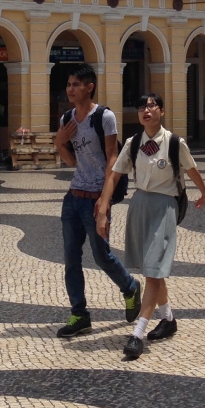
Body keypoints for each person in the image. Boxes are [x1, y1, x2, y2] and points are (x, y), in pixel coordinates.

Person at [96, 93, 205, 360]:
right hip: (140, 205)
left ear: (161, 111)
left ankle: (138, 334)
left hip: (164, 207)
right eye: (141, 107)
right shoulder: (133, 143)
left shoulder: (174, 143)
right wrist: (103, 208)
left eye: (151, 105)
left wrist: (204, 192)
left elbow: (191, 170)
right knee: (152, 269)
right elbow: (114, 175)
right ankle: (168, 319)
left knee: (153, 270)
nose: (146, 110)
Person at [53, 65, 142, 339]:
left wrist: (104, 202)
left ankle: (130, 287)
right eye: (69, 84)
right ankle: (79, 314)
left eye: (76, 84)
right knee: (71, 259)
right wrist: (60, 142)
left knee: (102, 256)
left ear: (89, 87)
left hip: (96, 197)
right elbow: (71, 161)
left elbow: (113, 157)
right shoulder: (67, 118)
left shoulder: (104, 117)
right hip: (73, 197)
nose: (70, 89)